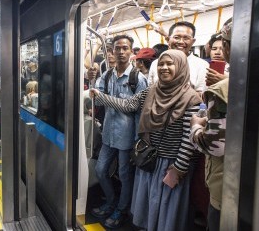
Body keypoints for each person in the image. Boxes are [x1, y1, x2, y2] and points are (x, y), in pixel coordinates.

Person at [90, 49, 202, 231]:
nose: (164, 68)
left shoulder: (191, 99)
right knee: (150, 204)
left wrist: (180, 167)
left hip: (171, 164)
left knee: (166, 208)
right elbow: (128, 105)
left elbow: (188, 139)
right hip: (150, 160)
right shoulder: (152, 91)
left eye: (170, 64)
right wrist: (100, 95)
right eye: (161, 64)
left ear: (181, 67)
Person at [88, 35, 148, 229]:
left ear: (131, 52)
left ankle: (121, 210)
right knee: (100, 170)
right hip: (108, 134)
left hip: (128, 137)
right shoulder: (106, 76)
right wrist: (92, 83)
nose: (121, 52)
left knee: (124, 175)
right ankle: (111, 201)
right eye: (117, 48)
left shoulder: (138, 79)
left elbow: (136, 109)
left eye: (125, 48)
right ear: (112, 51)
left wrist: (138, 140)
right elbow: (96, 101)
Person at [190, 18, 232, 231]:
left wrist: (196, 126)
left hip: (227, 184)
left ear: (226, 46)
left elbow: (214, 145)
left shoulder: (220, 90)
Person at [147, 21, 209, 92]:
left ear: (193, 41)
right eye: (176, 37)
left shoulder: (202, 66)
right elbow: (150, 91)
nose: (181, 42)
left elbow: (201, 96)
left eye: (186, 38)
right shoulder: (156, 63)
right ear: (168, 39)